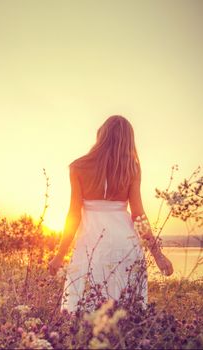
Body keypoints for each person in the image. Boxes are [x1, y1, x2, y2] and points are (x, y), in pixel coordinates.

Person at [48, 115, 173, 313]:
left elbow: (74, 215)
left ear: (101, 135)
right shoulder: (132, 168)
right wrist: (158, 256)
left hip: (91, 245)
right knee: (125, 313)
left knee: (85, 311)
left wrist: (60, 255)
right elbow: (138, 215)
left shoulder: (78, 167)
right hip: (126, 245)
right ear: (128, 140)